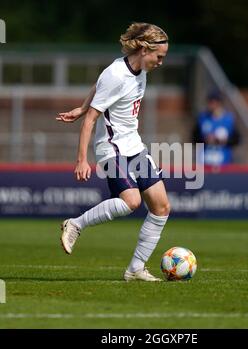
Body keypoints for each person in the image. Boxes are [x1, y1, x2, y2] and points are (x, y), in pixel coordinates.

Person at [56, 22, 170, 282]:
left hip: (134, 146)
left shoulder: (139, 69)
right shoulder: (116, 73)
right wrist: (82, 159)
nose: (161, 62)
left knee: (161, 207)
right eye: (159, 56)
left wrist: (82, 106)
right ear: (143, 49)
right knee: (131, 202)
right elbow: (90, 121)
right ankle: (75, 224)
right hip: (111, 148)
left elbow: (99, 88)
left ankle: (136, 269)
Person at [193, 90, 240, 166]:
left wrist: (224, 141)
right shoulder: (202, 118)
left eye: (215, 102)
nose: (212, 104)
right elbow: (194, 138)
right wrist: (205, 139)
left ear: (219, 103)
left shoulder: (229, 120)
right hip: (205, 162)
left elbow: (237, 139)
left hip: (224, 162)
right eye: (210, 102)